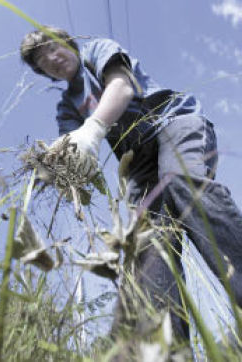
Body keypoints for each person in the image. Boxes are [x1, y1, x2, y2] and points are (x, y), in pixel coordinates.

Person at [20, 27, 242, 338]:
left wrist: (92, 129)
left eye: (53, 48)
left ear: (68, 43)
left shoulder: (96, 51)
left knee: (182, 182)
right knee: (147, 241)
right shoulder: (66, 106)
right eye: (42, 60)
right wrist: (55, 168)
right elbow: (70, 148)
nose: (52, 58)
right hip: (138, 165)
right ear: (43, 72)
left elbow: (121, 89)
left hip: (171, 124)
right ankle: (162, 346)